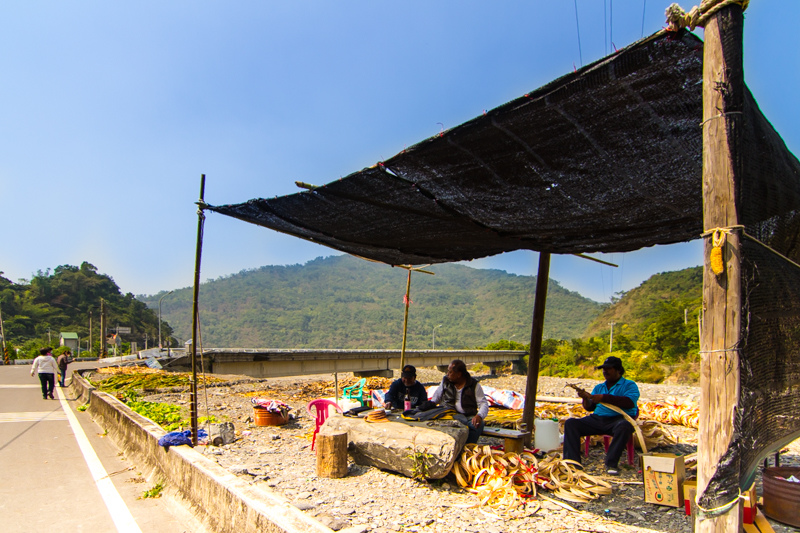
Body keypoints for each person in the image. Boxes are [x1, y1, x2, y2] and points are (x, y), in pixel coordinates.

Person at [562, 356, 640, 476]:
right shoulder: (599, 387)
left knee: (624, 427)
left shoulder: (629, 385)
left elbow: (629, 402)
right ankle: (573, 462)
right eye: (604, 369)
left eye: (609, 369)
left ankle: (611, 464)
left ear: (618, 370)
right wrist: (585, 398)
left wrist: (604, 398)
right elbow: (590, 407)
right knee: (571, 423)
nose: (605, 371)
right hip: (597, 419)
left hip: (617, 420)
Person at [428, 359, 488, 444]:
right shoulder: (446, 382)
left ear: (459, 374)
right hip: (449, 414)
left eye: (450, 372)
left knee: (478, 424)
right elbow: (436, 397)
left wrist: (479, 416)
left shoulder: (473, 385)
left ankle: (467, 447)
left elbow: (483, 403)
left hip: (467, 416)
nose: (447, 374)